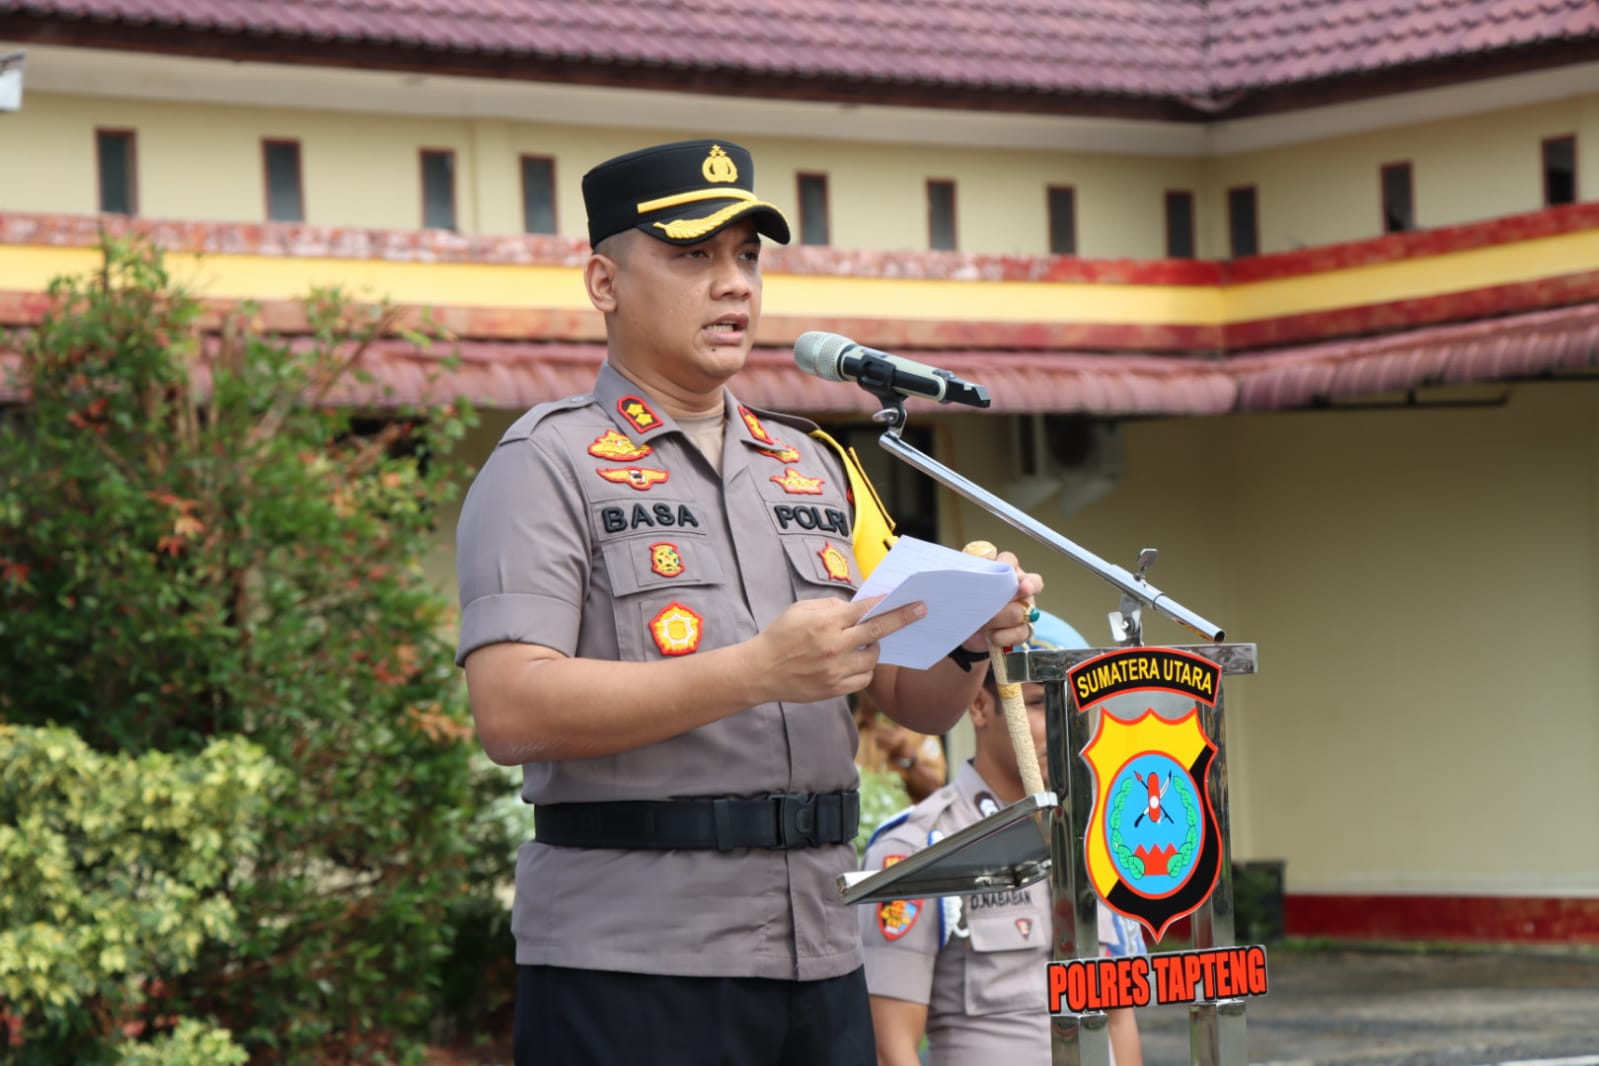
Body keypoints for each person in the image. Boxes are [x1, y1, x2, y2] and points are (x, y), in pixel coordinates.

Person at [453, 138, 1044, 1066]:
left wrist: (971, 635)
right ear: (605, 283)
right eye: (693, 256)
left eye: (747, 256)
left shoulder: (811, 463)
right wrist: (753, 673)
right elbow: (511, 711)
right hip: (634, 960)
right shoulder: (546, 463)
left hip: (821, 946)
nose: (733, 284)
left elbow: (913, 699)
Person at [859, 610, 1146, 1066]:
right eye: (1038, 703)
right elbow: (891, 1047)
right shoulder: (921, 846)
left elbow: (1117, 1021)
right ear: (979, 706)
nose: (1063, 722)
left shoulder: (1102, 840)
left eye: (1075, 704)